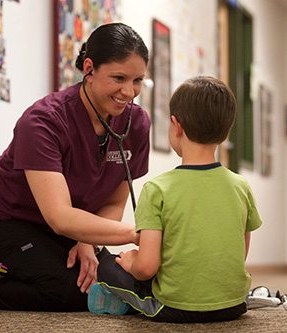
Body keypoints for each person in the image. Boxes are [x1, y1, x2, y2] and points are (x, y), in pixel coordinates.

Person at [0, 23, 150, 312]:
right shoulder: (42, 121)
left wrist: (87, 241)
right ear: (89, 69)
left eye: (138, 80)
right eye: (119, 78)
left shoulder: (137, 124)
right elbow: (60, 217)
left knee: (111, 281)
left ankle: (38, 269)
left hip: (60, 230)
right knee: (71, 291)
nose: (129, 92)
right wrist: (135, 234)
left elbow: (115, 200)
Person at [88, 76, 263, 323]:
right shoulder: (240, 186)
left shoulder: (157, 189)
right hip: (234, 305)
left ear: (176, 126)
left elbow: (147, 267)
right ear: (226, 131)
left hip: (174, 308)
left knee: (107, 266)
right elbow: (239, 253)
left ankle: (128, 300)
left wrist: (131, 263)